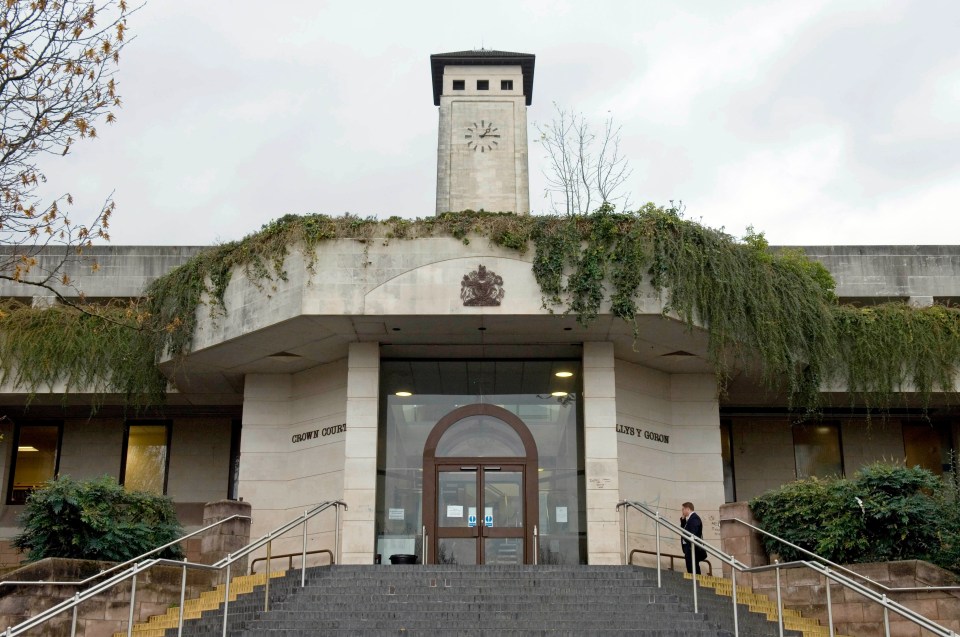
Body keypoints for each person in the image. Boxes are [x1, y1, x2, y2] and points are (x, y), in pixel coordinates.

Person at [680, 501, 706, 574]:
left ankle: (696, 583)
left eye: (683, 509)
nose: (682, 511)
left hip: (692, 547)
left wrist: (688, 542)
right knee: (691, 566)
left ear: (688, 509)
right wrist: (683, 519)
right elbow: (683, 529)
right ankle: (695, 583)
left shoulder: (694, 518)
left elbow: (693, 533)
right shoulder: (689, 519)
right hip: (689, 547)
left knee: (693, 567)